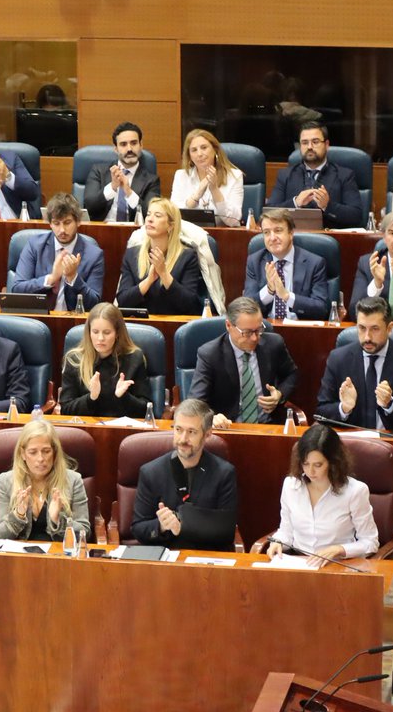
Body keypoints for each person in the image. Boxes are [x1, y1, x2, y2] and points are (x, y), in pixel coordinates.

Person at [131, 398, 239, 551]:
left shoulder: (224, 473)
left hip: (207, 560)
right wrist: (162, 526)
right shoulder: (151, 472)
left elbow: (226, 532)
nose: (183, 439)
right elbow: (138, 528)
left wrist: (181, 525)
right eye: (178, 430)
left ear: (207, 434)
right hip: (166, 560)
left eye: (191, 432)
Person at [265, 424, 379, 565]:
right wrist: (278, 542)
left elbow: (370, 542)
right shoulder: (291, 485)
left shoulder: (355, 491)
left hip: (337, 565)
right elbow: (286, 531)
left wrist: (340, 549)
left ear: (333, 463)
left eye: (318, 465)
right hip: (298, 562)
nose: (310, 471)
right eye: (305, 464)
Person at [316, 296, 393, 431]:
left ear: (389, 328)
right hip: (351, 443)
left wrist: (390, 404)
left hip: (392, 443)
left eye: (375, 329)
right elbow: (321, 411)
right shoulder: (338, 359)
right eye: (362, 328)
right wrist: (344, 408)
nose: (367, 337)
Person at [190, 296, 299, 428]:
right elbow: (196, 402)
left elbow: (291, 374)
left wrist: (279, 394)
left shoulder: (274, 344)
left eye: (258, 330)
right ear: (229, 325)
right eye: (247, 332)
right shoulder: (210, 354)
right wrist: (211, 418)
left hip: (268, 427)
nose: (254, 338)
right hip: (229, 428)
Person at [0, 420, 90, 541]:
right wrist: (18, 515)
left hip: (59, 555)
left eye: (46, 451)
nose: (40, 458)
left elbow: (85, 532)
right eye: (33, 452)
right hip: (18, 557)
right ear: (23, 454)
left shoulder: (73, 480)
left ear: (54, 452)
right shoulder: (5, 482)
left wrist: (58, 520)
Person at [9, 193, 104, 313]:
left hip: (75, 322)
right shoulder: (34, 246)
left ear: (78, 221)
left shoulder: (94, 255)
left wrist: (73, 278)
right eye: (56, 223)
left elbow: (94, 304)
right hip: (40, 319)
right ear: (50, 223)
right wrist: (51, 279)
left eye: (67, 222)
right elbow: (17, 289)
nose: (62, 230)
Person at [59, 303, 153, 418]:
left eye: (107, 332)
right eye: (95, 332)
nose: (100, 338)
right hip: (87, 429)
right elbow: (65, 410)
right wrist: (91, 398)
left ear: (117, 333)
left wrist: (124, 397)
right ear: (89, 332)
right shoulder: (74, 360)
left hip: (122, 430)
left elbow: (146, 410)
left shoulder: (134, 359)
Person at [115, 197, 204, 315]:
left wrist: (164, 274)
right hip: (141, 325)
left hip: (174, 325)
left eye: (157, 216)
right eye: (148, 214)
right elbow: (122, 301)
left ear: (171, 226)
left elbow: (189, 304)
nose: (150, 220)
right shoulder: (132, 255)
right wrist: (149, 281)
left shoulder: (187, 257)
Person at [266, 123, 363, 229]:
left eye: (315, 142)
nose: (310, 147)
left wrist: (327, 206)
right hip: (294, 237)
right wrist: (296, 202)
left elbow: (356, 216)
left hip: (330, 239)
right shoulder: (285, 175)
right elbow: (270, 213)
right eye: (304, 143)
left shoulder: (345, 175)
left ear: (326, 145)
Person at [243, 208, 330, 320]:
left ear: (291, 233)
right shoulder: (255, 261)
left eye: (278, 230)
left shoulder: (314, 263)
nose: (272, 238)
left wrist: (286, 296)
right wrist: (269, 291)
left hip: (301, 329)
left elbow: (321, 308)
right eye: (266, 232)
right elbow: (246, 308)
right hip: (266, 329)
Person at [82, 121, 161, 223]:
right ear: (116, 149)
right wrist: (112, 187)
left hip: (134, 234)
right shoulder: (98, 171)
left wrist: (128, 192)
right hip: (101, 229)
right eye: (123, 144)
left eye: (134, 143)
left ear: (141, 145)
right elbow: (89, 206)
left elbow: (152, 215)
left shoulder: (152, 180)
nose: (129, 149)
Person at [170, 129, 245, 227]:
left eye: (204, 147)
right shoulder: (181, 176)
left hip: (222, 235)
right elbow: (173, 216)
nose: (199, 154)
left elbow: (234, 221)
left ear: (215, 150)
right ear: (189, 156)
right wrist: (196, 196)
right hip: (189, 235)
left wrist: (214, 190)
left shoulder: (234, 176)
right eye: (194, 150)